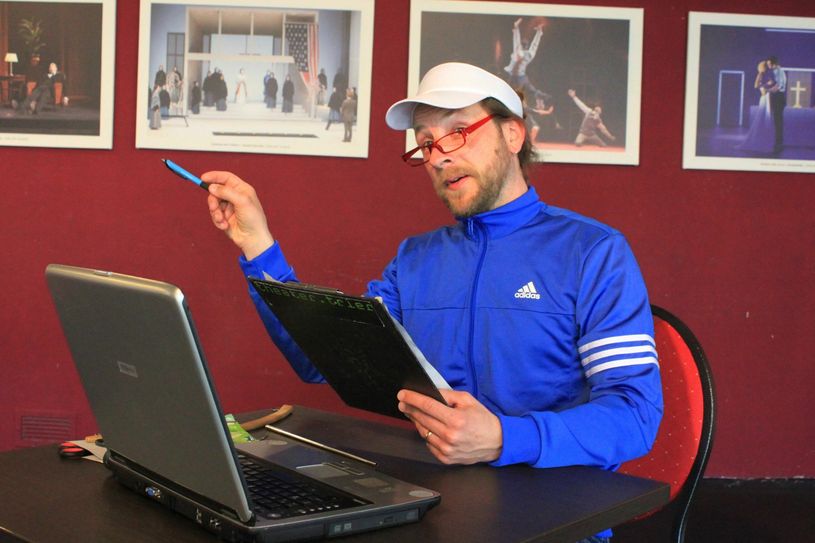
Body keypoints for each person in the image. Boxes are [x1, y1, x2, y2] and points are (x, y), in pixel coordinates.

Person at [200, 62, 662, 543]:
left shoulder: (593, 252)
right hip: (433, 510)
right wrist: (258, 247)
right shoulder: (416, 258)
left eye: (459, 131)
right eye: (426, 141)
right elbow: (323, 359)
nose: (438, 155)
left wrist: (505, 437)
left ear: (513, 135)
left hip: (557, 519)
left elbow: (636, 416)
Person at [738, 60, 775, 154]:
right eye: (767, 66)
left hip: (767, 96)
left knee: (766, 118)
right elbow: (756, 85)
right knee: (762, 118)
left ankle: (763, 141)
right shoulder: (760, 74)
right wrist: (766, 85)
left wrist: (769, 86)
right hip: (764, 97)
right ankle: (757, 141)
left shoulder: (766, 75)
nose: (768, 67)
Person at [504, 18, 544, 97]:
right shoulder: (529, 54)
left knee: (522, 87)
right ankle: (536, 93)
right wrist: (539, 33)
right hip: (519, 76)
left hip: (515, 76)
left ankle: (536, 93)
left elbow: (516, 41)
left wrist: (516, 28)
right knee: (527, 86)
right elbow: (534, 45)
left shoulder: (520, 53)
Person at [765, 55, 787, 154]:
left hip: (779, 97)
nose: (768, 65)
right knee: (776, 120)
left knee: (778, 121)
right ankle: (777, 142)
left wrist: (769, 90)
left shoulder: (779, 71)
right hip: (776, 97)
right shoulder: (775, 71)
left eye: (769, 64)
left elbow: (779, 85)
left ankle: (779, 143)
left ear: (774, 63)